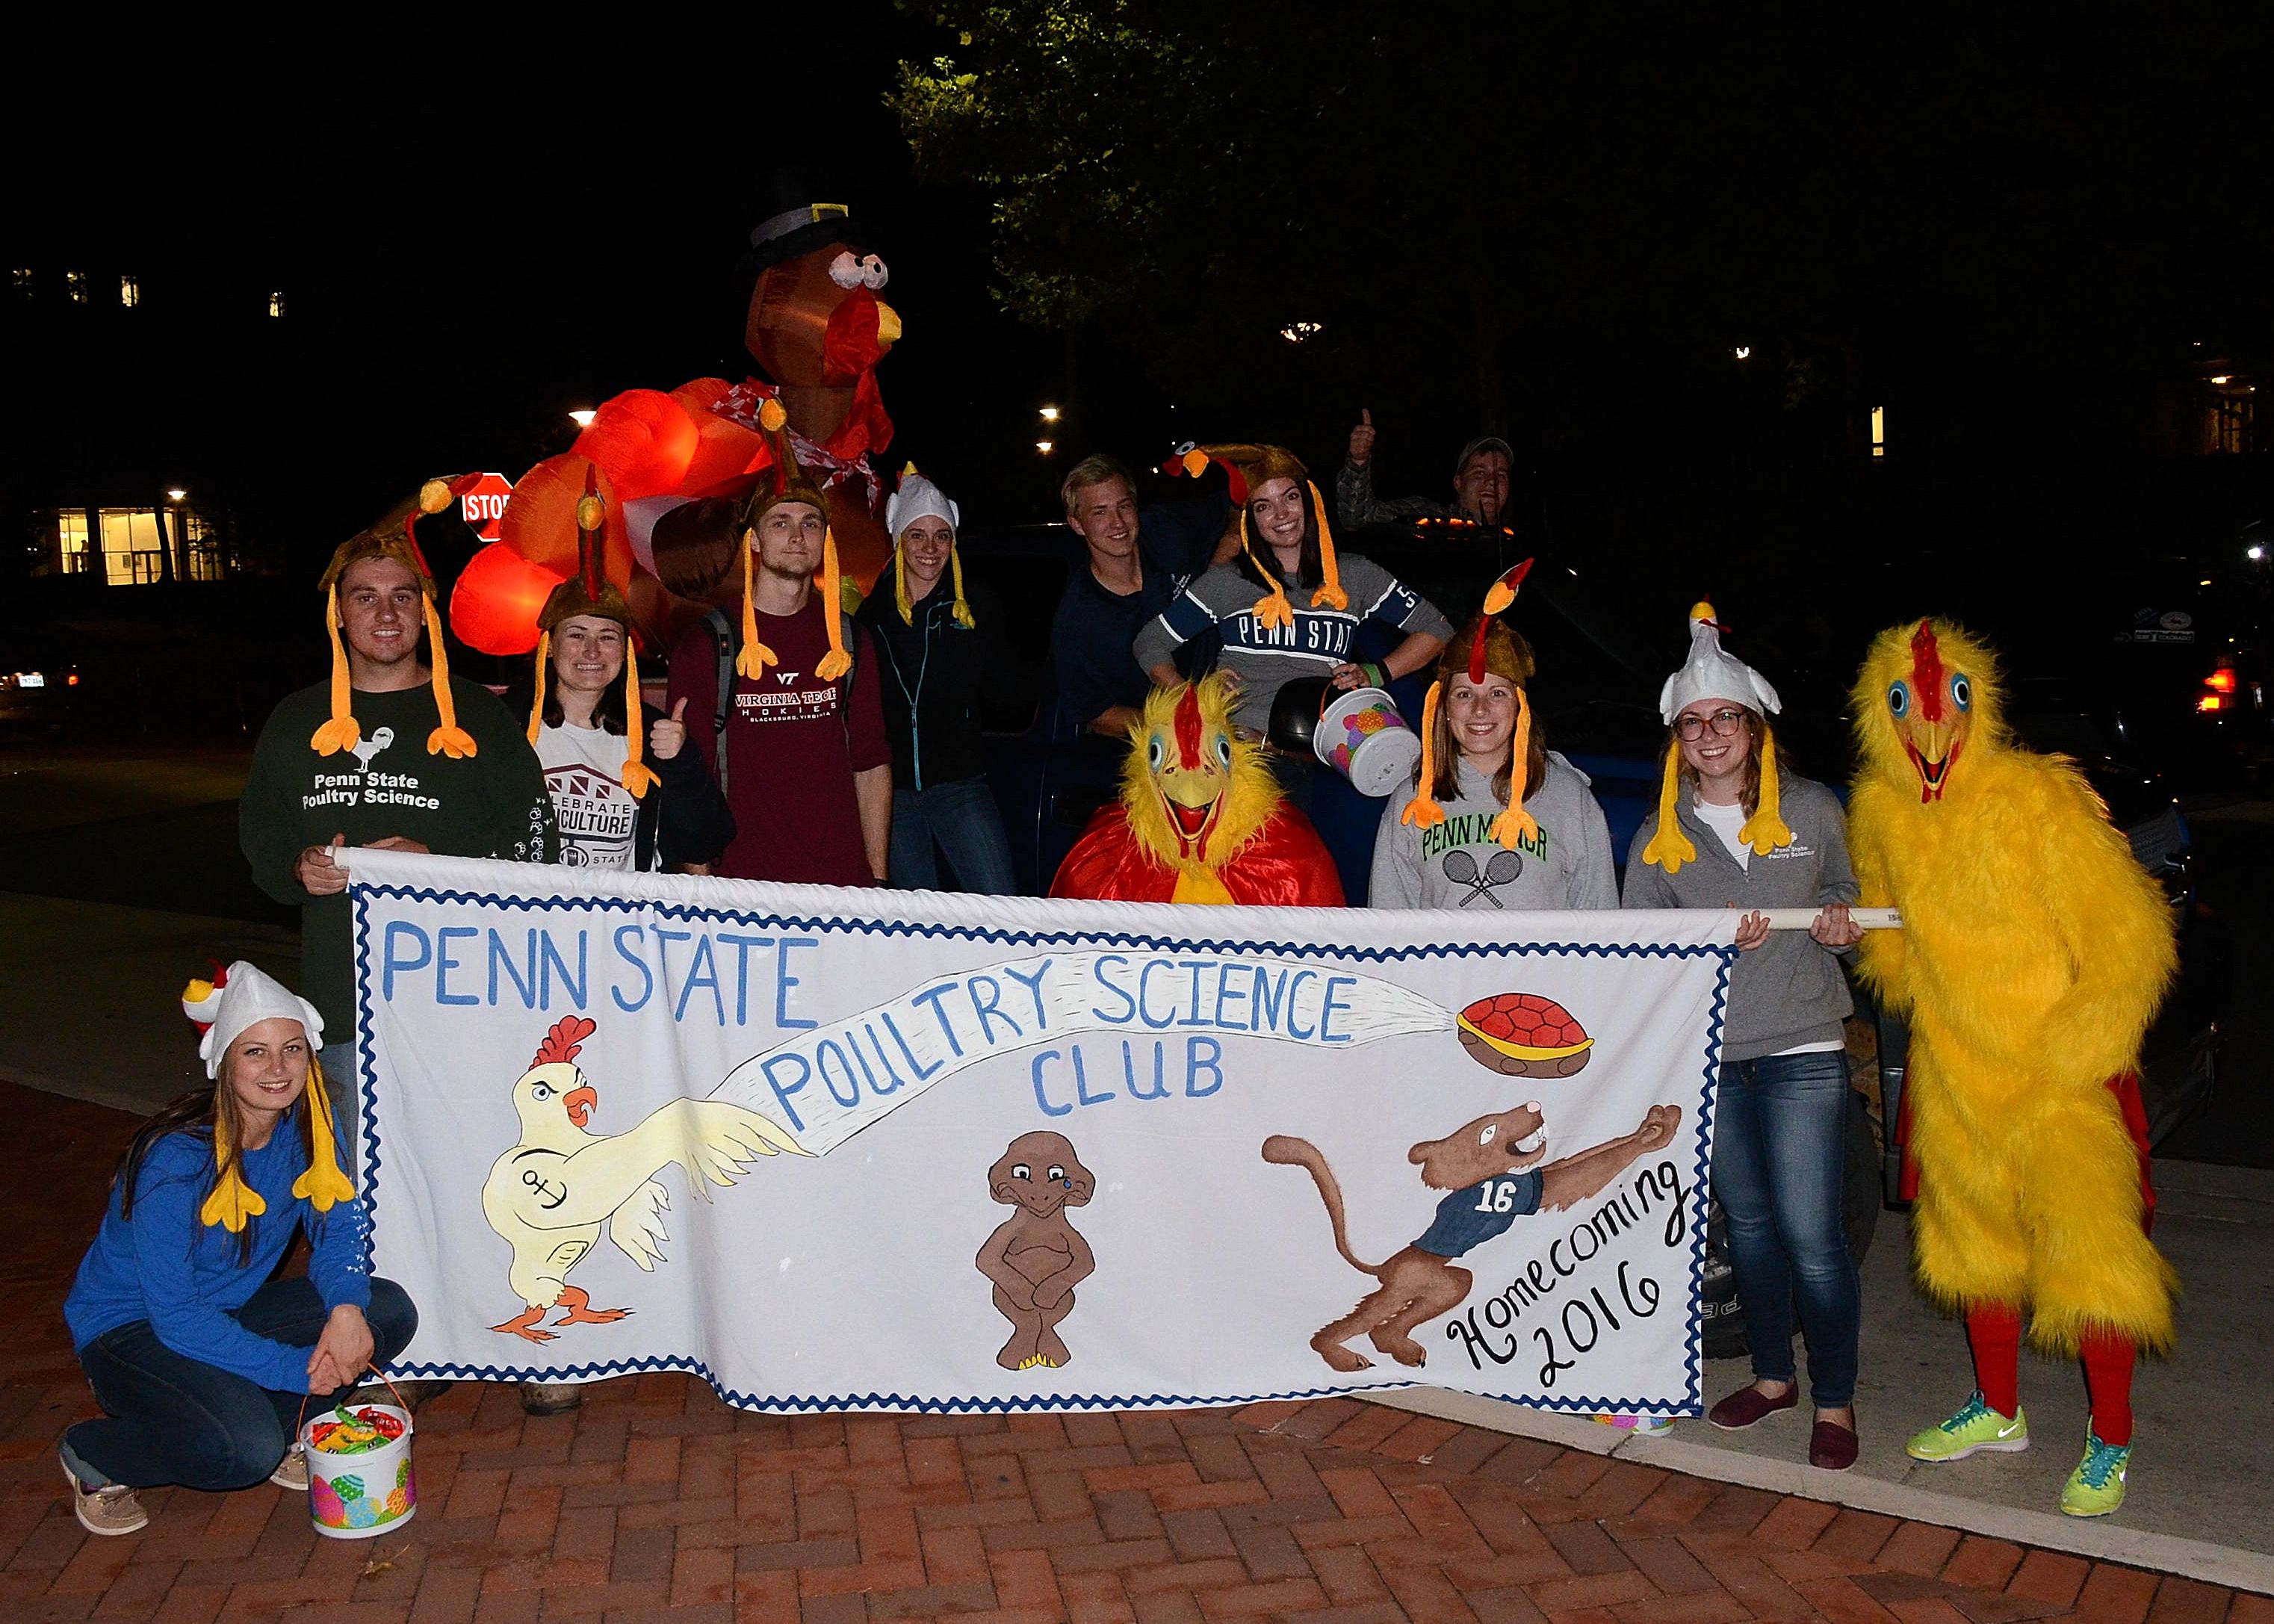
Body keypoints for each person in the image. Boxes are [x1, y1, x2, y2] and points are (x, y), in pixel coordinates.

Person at [1622, 603, 1864, 1470]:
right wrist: (1699, 938)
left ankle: (1832, 1396)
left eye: (1724, 717)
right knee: (1750, 1226)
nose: (1710, 733)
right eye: (1693, 723)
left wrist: (1841, 922)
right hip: (1713, 1055)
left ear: (1753, 727)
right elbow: (1638, 948)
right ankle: (1771, 1377)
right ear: (1677, 739)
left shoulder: (1808, 804)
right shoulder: (1657, 833)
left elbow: (1842, 888)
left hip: (1801, 1044)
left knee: (1810, 1233)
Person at [240, 482, 557, 1132]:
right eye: (366, 597)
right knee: (358, 1195)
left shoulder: (479, 716)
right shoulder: (296, 719)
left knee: (466, 1190)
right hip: (343, 1007)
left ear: (424, 612)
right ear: (338, 614)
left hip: (464, 1007)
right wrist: (298, 867)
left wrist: (437, 866)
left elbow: (535, 844)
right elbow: (261, 840)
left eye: (402, 597)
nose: (386, 614)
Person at [60, 962, 419, 1535]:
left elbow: (338, 1233)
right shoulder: (176, 1161)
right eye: (255, 1052)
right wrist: (293, 1369)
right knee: (241, 1451)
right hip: (130, 1330)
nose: (277, 1068)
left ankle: (262, 1415)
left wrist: (347, 1308)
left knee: (387, 1309)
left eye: (292, 1049)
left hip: (220, 1313)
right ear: (224, 1063)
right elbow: (175, 1315)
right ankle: (97, 1454)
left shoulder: (311, 1130)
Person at [1134, 444, 1452, 803]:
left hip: (1325, 761)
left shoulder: (1355, 574)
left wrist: (1376, 673)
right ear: (1249, 519)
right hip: (1241, 758)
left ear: (1310, 501)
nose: (1280, 515)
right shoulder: (1228, 582)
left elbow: (1438, 628)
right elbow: (1149, 642)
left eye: (1290, 497)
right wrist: (1192, 695)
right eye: (1263, 506)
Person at [666, 402, 890, 885]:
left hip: (841, 887)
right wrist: (701, 887)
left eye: (810, 523)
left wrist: (877, 881)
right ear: (754, 541)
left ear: (825, 540)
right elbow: (691, 780)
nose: (796, 536)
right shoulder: (709, 646)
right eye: (780, 522)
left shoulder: (850, 639)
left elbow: (871, 765)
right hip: (744, 890)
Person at [520, 477, 734, 875]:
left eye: (607, 637)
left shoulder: (650, 734)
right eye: (576, 635)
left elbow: (708, 840)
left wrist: (679, 760)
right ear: (549, 646)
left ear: (626, 651)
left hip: (621, 928)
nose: (591, 652)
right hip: (528, 922)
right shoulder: (507, 725)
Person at [1368, 584, 1616, 912]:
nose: (1480, 710)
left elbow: (1600, 925)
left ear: (1519, 707)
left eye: (1497, 693)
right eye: (1464, 694)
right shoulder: (1411, 802)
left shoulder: (1571, 799)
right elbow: (1390, 926)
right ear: (1443, 708)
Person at [852, 466, 1017, 893]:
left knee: (1001, 907)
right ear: (899, 541)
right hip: (895, 796)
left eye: (941, 536)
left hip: (960, 787)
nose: (930, 548)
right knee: (916, 922)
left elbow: (1006, 685)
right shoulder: (871, 618)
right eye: (917, 535)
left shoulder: (974, 604)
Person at [1050, 453, 1233, 740]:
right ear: (1076, 524)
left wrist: (1223, 557)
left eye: (1124, 507)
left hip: (1241, 710)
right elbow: (1099, 715)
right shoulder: (1077, 621)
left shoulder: (1165, 530)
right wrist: (1188, 723)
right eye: (1100, 512)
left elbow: (1237, 504)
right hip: (1165, 758)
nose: (1118, 523)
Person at [1336, 409, 1516, 534]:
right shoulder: (1424, 516)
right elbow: (1356, 519)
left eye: (1501, 475)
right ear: (1458, 482)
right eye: (1479, 473)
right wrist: (1358, 461)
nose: (1492, 482)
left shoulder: (1517, 543)